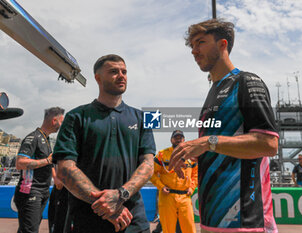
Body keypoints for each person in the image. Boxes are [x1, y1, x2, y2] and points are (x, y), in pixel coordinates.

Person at [168, 19, 279, 233]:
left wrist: (207, 142)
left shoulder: (247, 81)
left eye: (200, 43)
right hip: (211, 220)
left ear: (222, 44)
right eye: (192, 46)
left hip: (246, 220)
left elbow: (268, 144)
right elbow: (219, 148)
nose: (194, 51)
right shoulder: (212, 92)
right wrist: (192, 153)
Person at [53, 54, 156, 233]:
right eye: (114, 72)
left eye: (124, 71)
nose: (121, 75)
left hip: (132, 219)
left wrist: (120, 195)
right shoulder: (75, 117)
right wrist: (104, 206)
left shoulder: (143, 118)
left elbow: (148, 164)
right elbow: (65, 168)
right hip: (88, 219)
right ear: (98, 78)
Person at [14, 107, 65, 233]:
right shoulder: (33, 138)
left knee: (28, 228)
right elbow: (20, 163)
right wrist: (47, 160)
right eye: (61, 122)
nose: (61, 126)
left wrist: (56, 178)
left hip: (43, 191)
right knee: (30, 230)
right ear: (54, 121)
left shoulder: (46, 140)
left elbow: (50, 162)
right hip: (30, 191)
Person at [151, 130, 197, 233]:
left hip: (185, 196)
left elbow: (195, 174)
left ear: (184, 140)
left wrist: (192, 187)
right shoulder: (162, 155)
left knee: (189, 228)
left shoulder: (191, 155)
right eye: (176, 137)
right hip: (168, 196)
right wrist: (161, 186)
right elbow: (152, 173)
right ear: (171, 139)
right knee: (168, 228)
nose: (178, 139)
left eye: (180, 137)